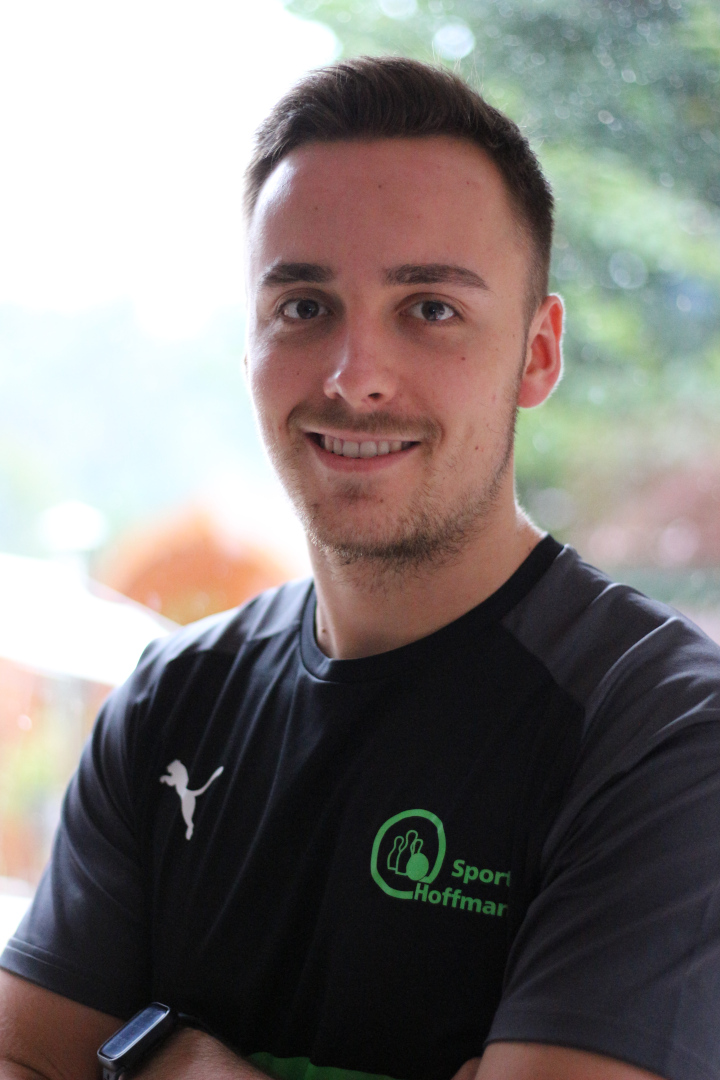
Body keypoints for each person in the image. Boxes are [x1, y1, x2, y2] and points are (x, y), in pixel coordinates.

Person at [1, 56, 720, 1080]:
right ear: (249, 342)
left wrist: (183, 1067)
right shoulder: (170, 704)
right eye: (304, 307)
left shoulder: (664, 737)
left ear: (538, 354)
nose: (356, 378)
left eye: (429, 308)